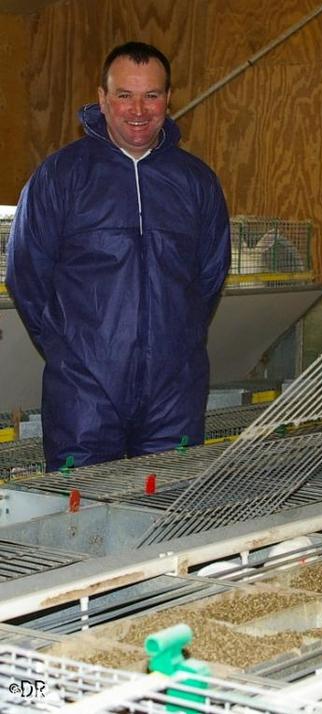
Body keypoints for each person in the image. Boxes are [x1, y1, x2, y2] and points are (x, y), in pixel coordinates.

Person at [7, 42, 231, 472]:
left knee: (167, 506)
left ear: (168, 99)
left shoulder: (196, 182)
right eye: (124, 95)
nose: (138, 110)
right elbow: (26, 274)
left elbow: (209, 276)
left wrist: (175, 341)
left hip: (174, 388)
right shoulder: (60, 177)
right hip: (83, 390)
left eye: (152, 95)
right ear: (103, 98)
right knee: (83, 508)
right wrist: (72, 349)